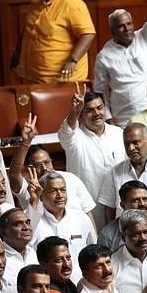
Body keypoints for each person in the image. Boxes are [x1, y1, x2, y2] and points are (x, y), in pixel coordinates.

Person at [58, 87, 126, 228]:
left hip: (119, 205)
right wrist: (75, 111)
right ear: (81, 115)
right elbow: (66, 132)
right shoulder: (75, 139)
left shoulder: (119, 134)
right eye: (89, 110)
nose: (96, 113)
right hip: (89, 209)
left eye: (99, 108)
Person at [93, 0, 147, 126]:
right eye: (121, 26)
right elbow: (100, 90)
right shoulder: (104, 56)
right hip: (125, 115)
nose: (127, 28)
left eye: (129, 24)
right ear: (113, 32)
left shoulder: (145, 37)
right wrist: (108, 118)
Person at [8, 117, 95, 221]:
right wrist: (25, 143)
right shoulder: (28, 186)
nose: (44, 168)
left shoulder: (71, 178)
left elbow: (88, 213)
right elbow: (13, 173)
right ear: (29, 168)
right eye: (38, 165)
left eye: (47, 162)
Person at [28, 172, 97, 283]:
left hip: (81, 284)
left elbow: (93, 253)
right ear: (41, 195)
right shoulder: (32, 219)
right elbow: (25, 248)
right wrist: (34, 203)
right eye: (53, 191)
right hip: (46, 287)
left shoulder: (81, 217)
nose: (60, 195)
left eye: (63, 190)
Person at [12, 0, 95, 84]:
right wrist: (18, 52)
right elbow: (28, 28)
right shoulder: (37, 1)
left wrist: (72, 61)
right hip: (35, 77)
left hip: (62, 80)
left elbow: (88, 35)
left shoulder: (72, 3)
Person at [98, 180, 147, 253]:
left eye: (145, 199)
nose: (142, 204)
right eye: (135, 200)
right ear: (122, 205)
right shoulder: (108, 234)